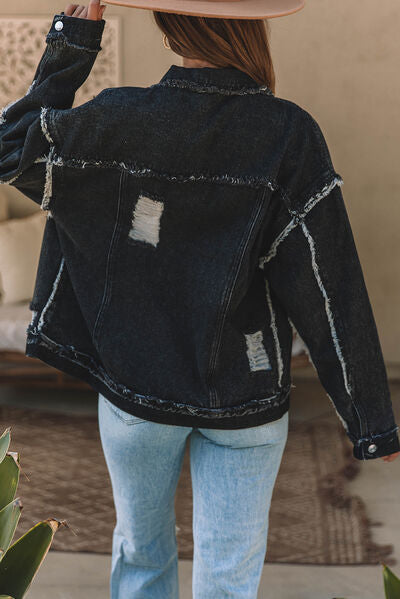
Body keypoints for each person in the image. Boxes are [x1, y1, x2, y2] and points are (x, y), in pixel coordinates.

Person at [0, 0, 399, 596]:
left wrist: (72, 43)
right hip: (246, 393)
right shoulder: (287, 134)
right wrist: (371, 422)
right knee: (229, 581)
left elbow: (11, 149)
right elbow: (328, 282)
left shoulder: (117, 118)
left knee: (141, 557)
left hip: (136, 383)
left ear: (168, 26)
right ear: (254, 26)